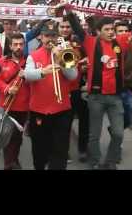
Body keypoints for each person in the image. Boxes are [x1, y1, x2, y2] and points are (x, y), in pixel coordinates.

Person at [68, 13, 132, 170]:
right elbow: (78, 29)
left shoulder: (121, 42)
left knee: (118, 133)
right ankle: (96, 162)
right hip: (96, 98)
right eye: (107, 29)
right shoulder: (91, 43)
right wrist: (69, 13)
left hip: (115, 98)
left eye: (112, 29)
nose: (111, 32)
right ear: (98, 31)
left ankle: (110, 161)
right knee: (94, 134)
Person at [24, 23, 78, 170]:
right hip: (39, 110)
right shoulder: (33, 55)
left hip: (62, 110)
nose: (50, 39)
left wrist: (60, 58)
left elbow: (73, 76)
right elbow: (27, 75)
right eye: (47, 36)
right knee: (39, 148)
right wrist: (42, 72)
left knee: (60, 148)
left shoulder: (66, 53)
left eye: (53, 36)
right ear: (41, 37)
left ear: (57, 37)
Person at [0, 33, 30, 170]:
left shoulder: (29, 62)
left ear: (24, 45)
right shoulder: (2, 61)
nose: (18, 47)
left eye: (21, 44)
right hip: (6, 105)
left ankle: (13, 159)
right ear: (10, 46)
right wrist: (7, 88)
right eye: (15, 44)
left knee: (18, 138)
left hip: (24, 106)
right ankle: (9, 163)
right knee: (8, 136)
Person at [58, 15, 88, 163]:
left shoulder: (78, 42)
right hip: (61, 90)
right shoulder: (53, 42)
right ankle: (64, 151)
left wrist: (85, 64)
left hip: (78, 88)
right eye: (62, 27)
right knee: (65, 123)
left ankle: (83, 149)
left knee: (84, 120)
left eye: (67, 27)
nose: (64, 29)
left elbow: (89, 58)